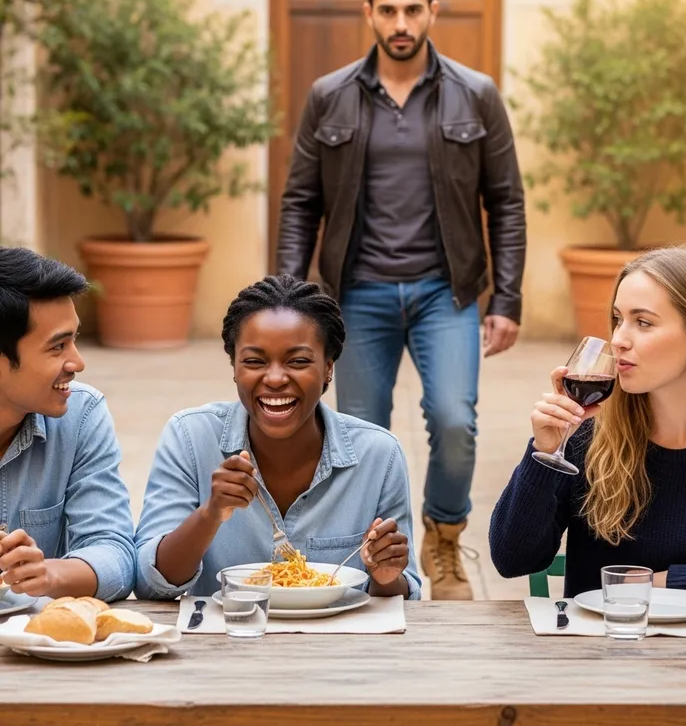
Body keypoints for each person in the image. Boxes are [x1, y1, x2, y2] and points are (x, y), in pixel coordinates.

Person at [276, 0, 526, 600]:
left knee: (453, 421)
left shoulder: (476, 93)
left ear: (432, 13)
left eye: (413, 9)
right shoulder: (330, 95)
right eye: (388, 9)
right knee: (362, 433)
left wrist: (508, 297)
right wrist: (287, 299)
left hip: (448, 291)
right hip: (356, 294)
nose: (401, 22)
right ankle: (381, 557)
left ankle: (442, 540)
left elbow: (506, 201)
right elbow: (301, 200)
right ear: (369, 15)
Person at [490, 245, 686, 608]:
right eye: (618, 319)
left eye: (643, 322)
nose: (619, 338)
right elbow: (513, 560)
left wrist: (669, 583)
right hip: (596, 655)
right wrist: (545, 454)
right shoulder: (590, 432)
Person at [134, 274, 421, 600]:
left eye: (298, 361)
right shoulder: (190, 437)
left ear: (328, 368)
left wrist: (385, 577)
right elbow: (149, 582)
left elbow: (404, 593)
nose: (274, 379)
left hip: (337, 648)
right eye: (254, 361)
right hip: (225, 645)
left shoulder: (379, 455)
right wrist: (210, 514)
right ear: (234, 366)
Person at [0, 247, 136, 601]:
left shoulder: (80, 415)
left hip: (36, 645)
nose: (77, 362)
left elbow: (116, 553)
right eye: (58, 347)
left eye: (73, 340)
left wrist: (48, 574)